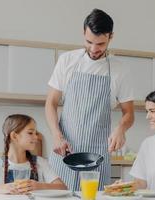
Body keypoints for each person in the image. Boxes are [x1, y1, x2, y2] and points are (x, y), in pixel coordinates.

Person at [46, 8, 134, 190]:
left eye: (101, 44)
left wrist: (120, 129)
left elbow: (129, 113)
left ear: (111, 37)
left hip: (97, 157)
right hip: (64, 151)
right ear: (83, 33)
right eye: (89, 42)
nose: (94, 49)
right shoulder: (67, 60)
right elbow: (51, 103)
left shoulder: (120, 69)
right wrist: (56, 135)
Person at [0, 114, 67, 194]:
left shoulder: (40, 163)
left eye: (36, 133)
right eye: (30, 133)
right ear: (14, 136)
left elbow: (62, 187)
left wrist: (39, 186)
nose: (36, 137)